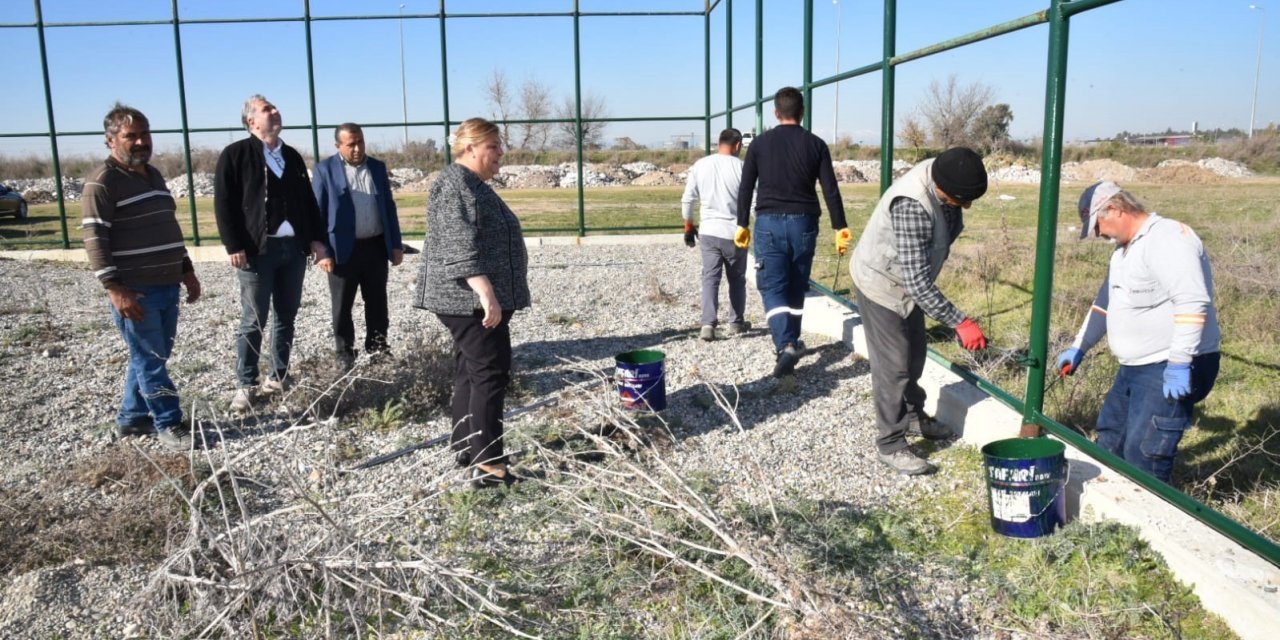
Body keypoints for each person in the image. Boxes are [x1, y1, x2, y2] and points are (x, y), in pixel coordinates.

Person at [1057, 181, 1220, 484]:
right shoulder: (1123, 252)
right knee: (1110, 438)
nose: (1098, 234)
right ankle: (1109, 508)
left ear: (1116, 210)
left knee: (1144, 453)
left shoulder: (1167, 239)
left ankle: (1147, 520)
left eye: (1097, 225)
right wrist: (1079, 347)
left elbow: (1192, 300)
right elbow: (1104, 305)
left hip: (1167, 365)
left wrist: (1180, 362)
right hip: (1134, 367)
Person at [849, 147, 990, 475]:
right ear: (943, 190)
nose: (966, 207)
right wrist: (960, 321)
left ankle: (913, 416)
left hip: (907, 284)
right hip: (880, 283)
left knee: (915, 355)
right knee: (894, 366)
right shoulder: (912, 203)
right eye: (962, 200)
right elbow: (916, 281)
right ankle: (891, 443)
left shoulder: (944, 174)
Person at [412, 118, 530, 489]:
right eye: (493, 146)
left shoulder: (470, 184)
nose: (500, 153)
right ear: (470, 149)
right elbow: (458, 246)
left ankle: (466, 443)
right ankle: (488, 464)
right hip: (467, 300)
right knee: (490, 373)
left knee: (470, 369)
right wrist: (486, 293)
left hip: (471, 299)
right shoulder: (453, 185)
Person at [82, 104, 201, 451]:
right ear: (110, 140)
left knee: (151, 355)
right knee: (150, 358)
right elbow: (94, 239)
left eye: (144, 134)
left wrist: (187, 269)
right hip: (136, 290)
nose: (139, 142)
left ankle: (133, 419)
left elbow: (169, 227)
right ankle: (169, 423)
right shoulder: (102, 182)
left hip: (167, 284)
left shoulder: (153, 175)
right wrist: (115, 288)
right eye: (130, 136)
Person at [214, 95, 330, 413]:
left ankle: (278, 376)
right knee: (254, 319)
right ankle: (246, 383)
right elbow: (224, 203)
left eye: (275, 107)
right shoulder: (235, 155)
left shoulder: (290, 157)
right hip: (257, 251)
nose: (275, 111)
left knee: (286, 317)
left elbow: (307, 202)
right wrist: (233, 245)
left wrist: (317, 241)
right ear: (252, 121)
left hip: (292, 250)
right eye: (267, 109)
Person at [734, 87, 852, 377]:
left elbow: (746, 187)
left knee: (772, 286)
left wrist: (742, 223)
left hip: (769, 222)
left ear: (776, 113)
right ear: (802, 113)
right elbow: (830, 189)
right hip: (804, 222)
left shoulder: (759, 144)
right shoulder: (816, 144)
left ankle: (785, 344)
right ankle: (792, 340)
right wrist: (840, 227)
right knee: (797, 284)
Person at [312, 122, 404, 369]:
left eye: (360, 141)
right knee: (342, 307)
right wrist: (322, 251)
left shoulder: (377, 167)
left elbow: (388, 208)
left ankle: (378, 350)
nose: (356, 148)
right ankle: (344, 355)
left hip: (374, 248)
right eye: (350, 144)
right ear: (338, 145)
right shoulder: (325, 170)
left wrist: (395, 244)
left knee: (377, 303)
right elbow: (316, 214)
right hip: (341, 252)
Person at [681, 127, 751, 341]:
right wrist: (747, 225)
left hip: (709, 231)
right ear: (738, 145)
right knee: (737, 279)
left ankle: (708, 324)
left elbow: (687, 199)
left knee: (710, 277)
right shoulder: (742, 167)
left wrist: (688, 227)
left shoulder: (701, 165)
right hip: (734, 231)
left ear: (719, 142)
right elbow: (754, 201)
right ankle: (736, 322)